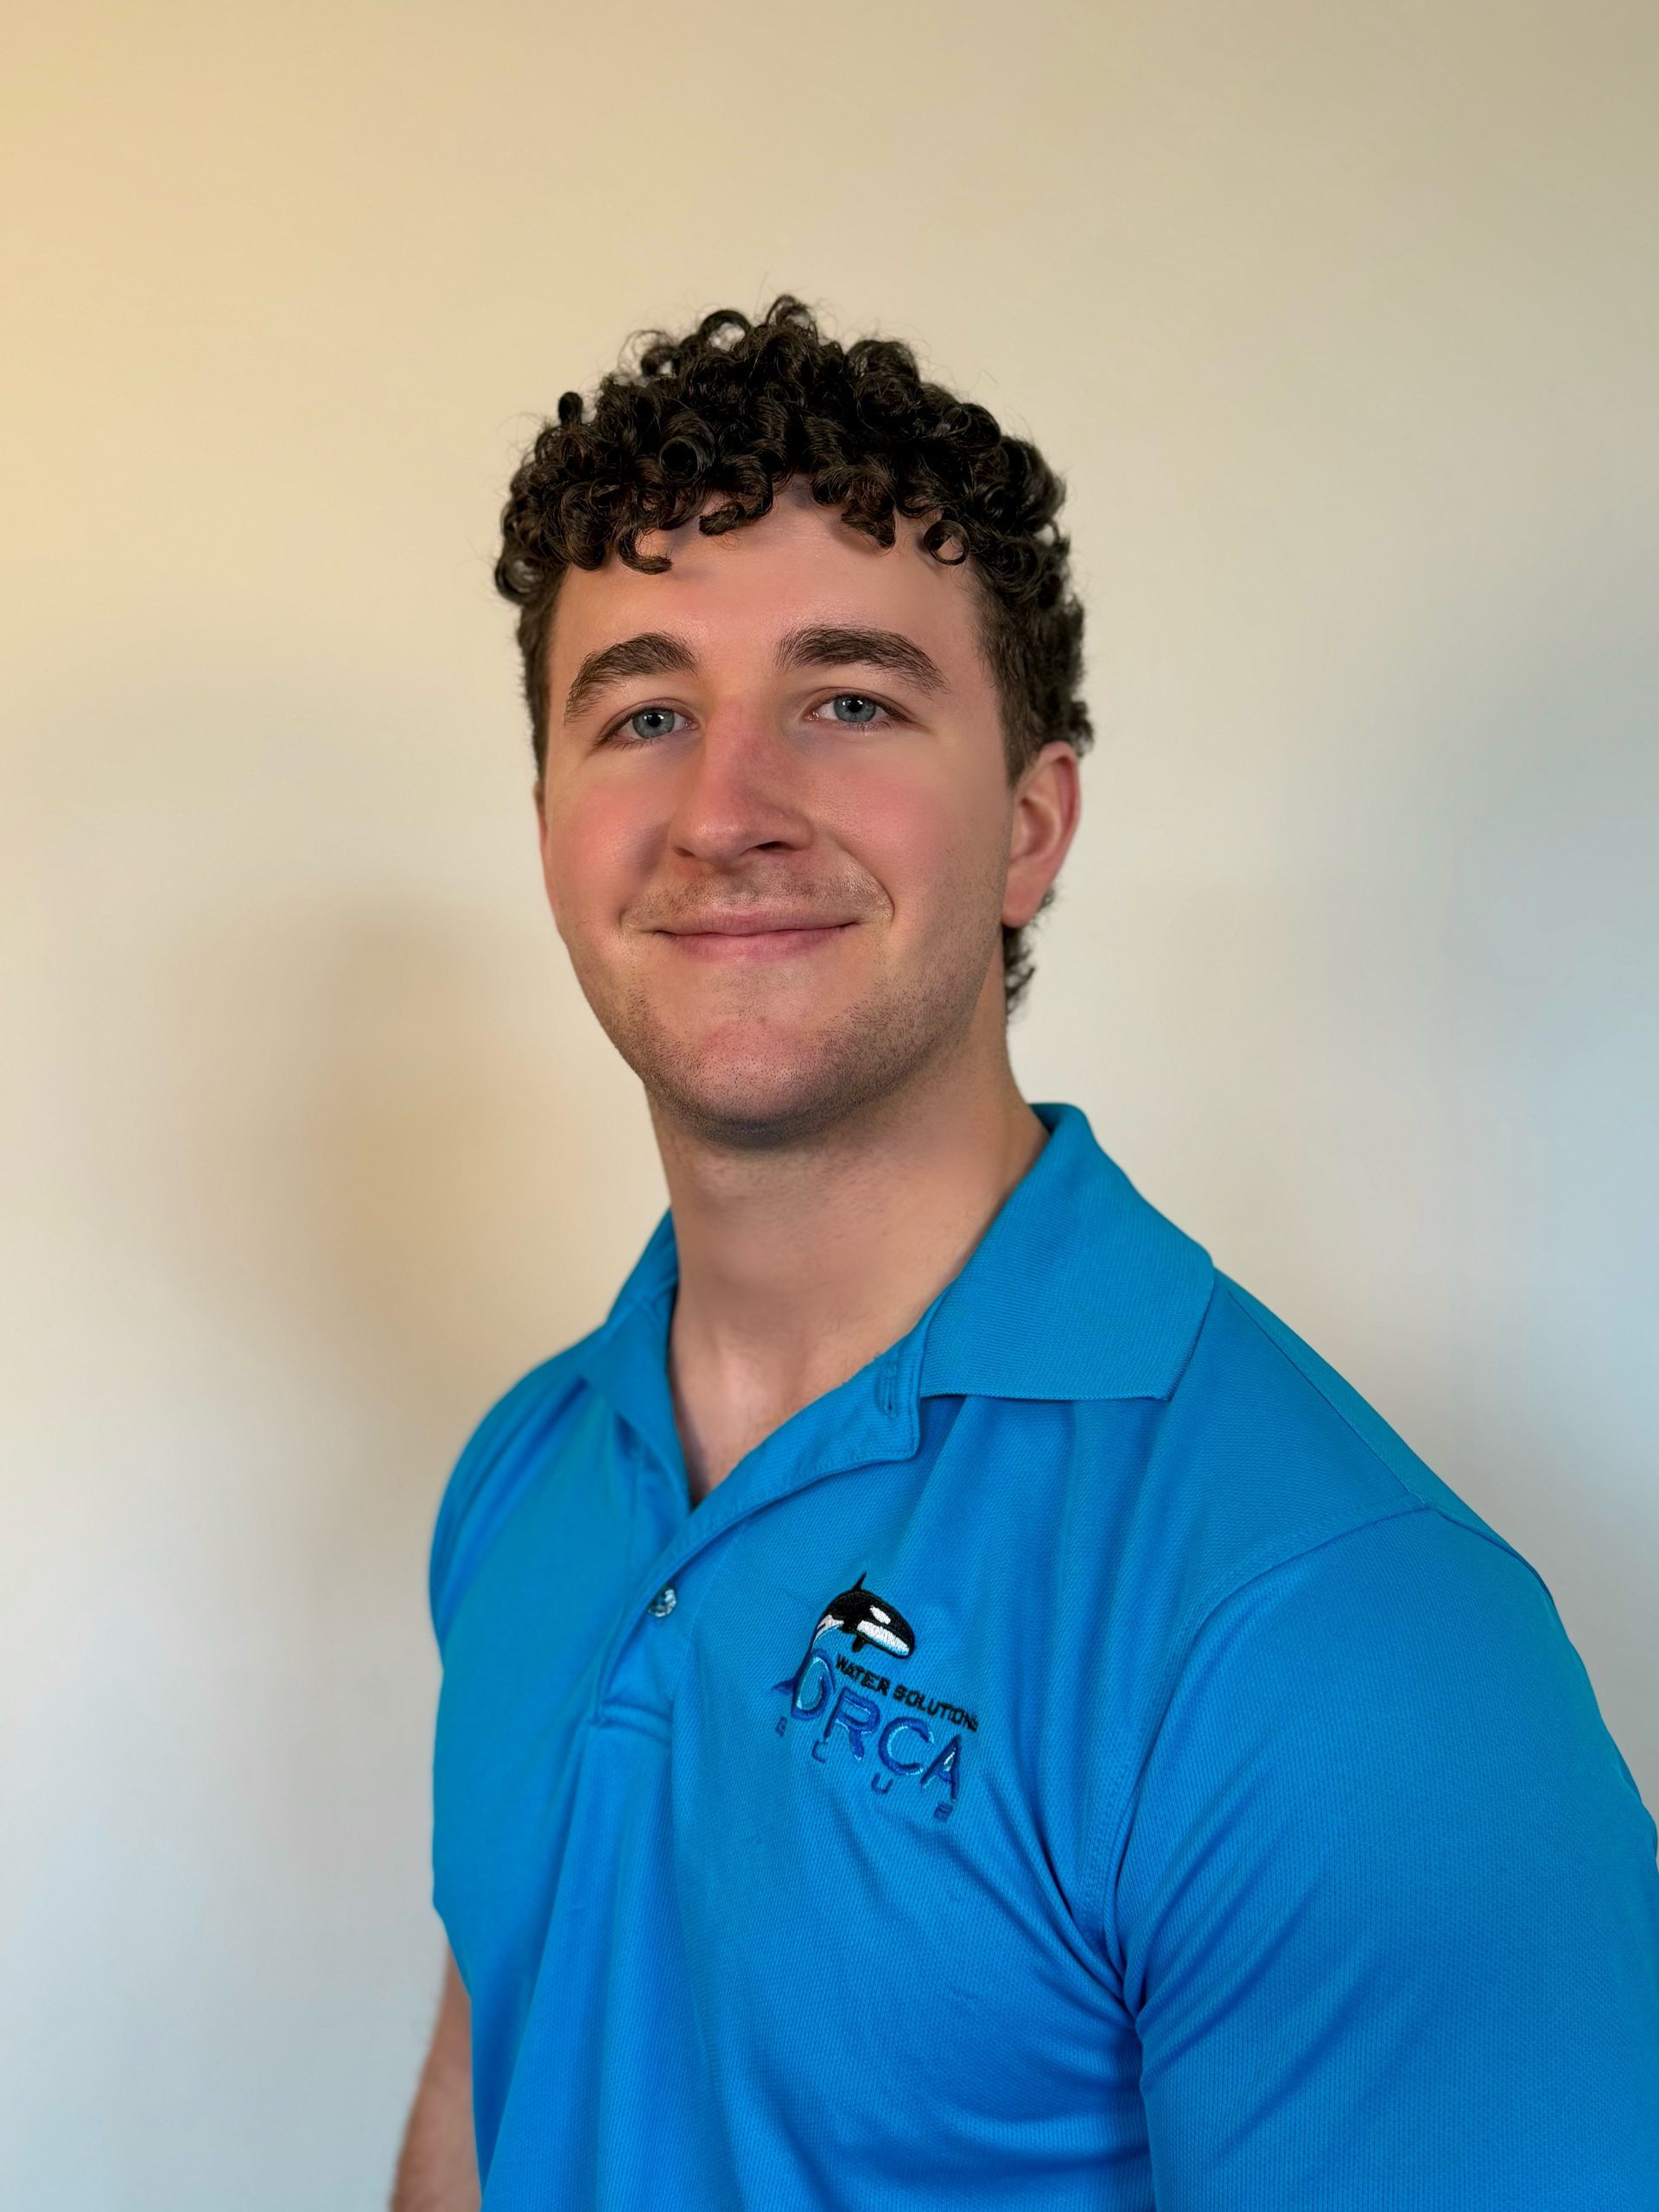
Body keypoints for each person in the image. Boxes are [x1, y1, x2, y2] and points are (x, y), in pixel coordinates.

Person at [391, 297, 1659, 2212]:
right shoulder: (530, 1470)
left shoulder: (1338, 1637)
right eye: (645, 710)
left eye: (850, 698)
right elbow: (503, 2064)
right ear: (555, 819)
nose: (725, 809)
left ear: (1031, 825)